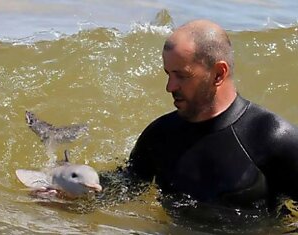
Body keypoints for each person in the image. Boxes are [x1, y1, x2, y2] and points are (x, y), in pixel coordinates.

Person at [126, 19, 298, 210]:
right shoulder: (159, 136)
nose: (170, 87)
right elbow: (121, 190)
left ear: (218, 74)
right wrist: (89, 181)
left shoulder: (273, 137)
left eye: (181, 76)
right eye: (168, 74)